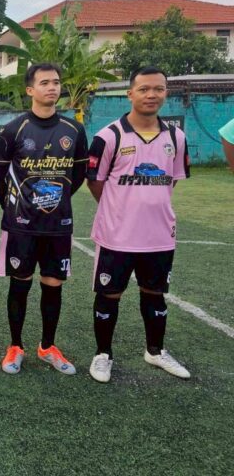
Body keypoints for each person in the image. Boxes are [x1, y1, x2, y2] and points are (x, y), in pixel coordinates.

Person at [86, 66, 191, 383]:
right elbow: (95, 182)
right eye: (144, 89)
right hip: (116, 235)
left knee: (155, 295)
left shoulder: (176, 137)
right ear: (130, 94)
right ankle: (103, 354)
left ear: (166, 93)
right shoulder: (108, 137)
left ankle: (155, 351)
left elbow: (171, 180)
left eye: (158, 89)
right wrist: (119, 208)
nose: (151, 95)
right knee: (109, 295)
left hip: (159, 235)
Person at [0, 63, 88, 376]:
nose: (52, 87)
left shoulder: (74, 130)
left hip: (58, 224)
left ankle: (47, 346)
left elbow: (78, 175)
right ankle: (15, 346)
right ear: (30, 90)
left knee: (53, 283)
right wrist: (17, 205)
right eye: (44, 82)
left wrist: (54, 200)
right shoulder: (12, 130)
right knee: (20, 283)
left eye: (56, 82)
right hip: (21, 224)